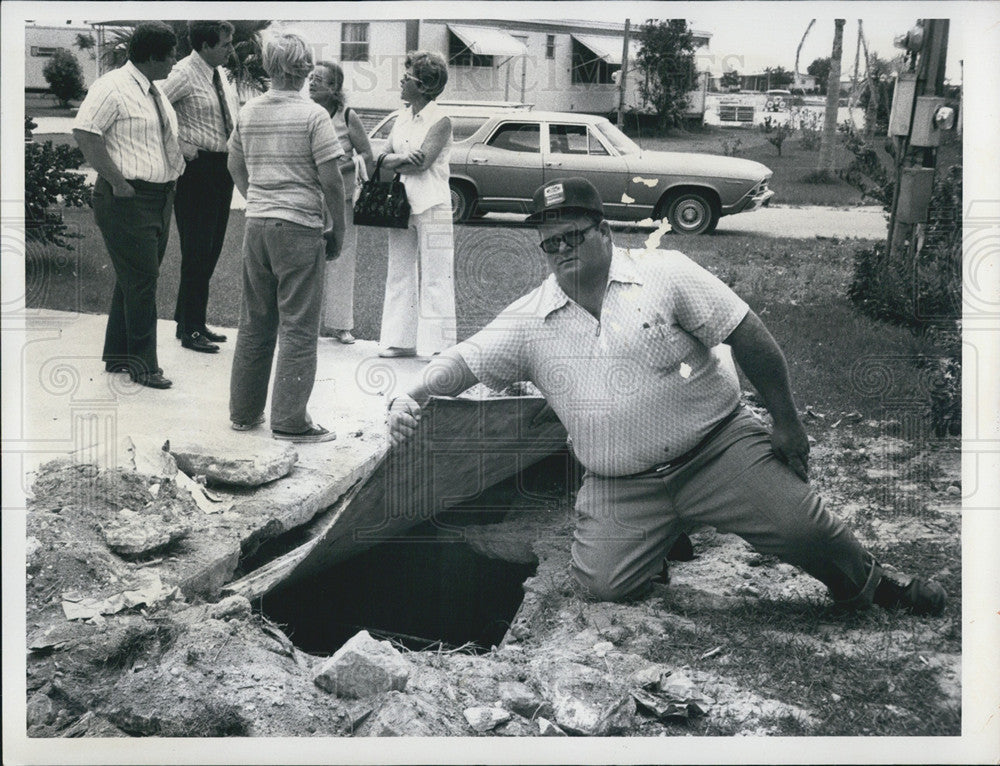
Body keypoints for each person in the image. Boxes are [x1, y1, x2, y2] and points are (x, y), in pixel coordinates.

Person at [387, 177, 947, 617]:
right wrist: (410, 395)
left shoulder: (666, 273)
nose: (561, 250)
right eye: (550, 242)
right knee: (602, 586)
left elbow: (747, 333)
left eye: (573, 235)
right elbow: (463, 361)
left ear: (604, 232)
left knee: (807, 530)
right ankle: (664, 537)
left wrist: (786, 422)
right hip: (622, 483)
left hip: (717, 451)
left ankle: (877, 587)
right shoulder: (531, 319)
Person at [226, 31, 346, 443]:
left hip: (256, 225)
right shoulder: (314, 116)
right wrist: (338, 228)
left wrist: (256, 198)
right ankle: (290, 421)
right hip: (298, 228)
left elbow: (234, 164)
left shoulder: (250, 110)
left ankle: (243, 412)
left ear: (268, 66)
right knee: (298, 326)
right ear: (305, 68)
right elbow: (332, 182)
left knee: (255, 322)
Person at [72, 21, 184, 390]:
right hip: (128, 199)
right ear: (152, 56)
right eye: (170, 54)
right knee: (142, 281)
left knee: (134, 278)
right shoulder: (112, 87)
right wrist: (118, 182)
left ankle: (119, 354)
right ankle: (143, 364)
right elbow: (86, 132)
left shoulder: (154, 90)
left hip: (158, 197)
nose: (174, 61)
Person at [160, 20, 239, 354]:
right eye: (224, 44)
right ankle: (190, 329)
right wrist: (179, 144)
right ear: (205, 45)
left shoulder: (216, 73)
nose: (230, 50)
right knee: (197, 251)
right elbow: (153, 110)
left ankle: (192, 320)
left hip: (222, 169)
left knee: (212, 249)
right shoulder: (183, 73)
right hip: (198, 171)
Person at [377, 50, 457, 359]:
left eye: (406, 77)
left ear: (424, 85)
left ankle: (439, 346)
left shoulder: (441, 120)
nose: (400, 80)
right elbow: (380, 157)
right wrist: (399, 160)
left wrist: (394, 161)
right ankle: (399, 340)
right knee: (399, 271)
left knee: (436, 275)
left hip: (433, 205)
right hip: (401, 203)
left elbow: (422, 163)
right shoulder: (400, 117)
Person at [308, 60, 374, 346]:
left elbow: (367, 154)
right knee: (307, 260)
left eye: (318, 79)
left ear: (333, 88)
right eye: (310, 77)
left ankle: (340, 325)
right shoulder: (306, 113)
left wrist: (342, 167)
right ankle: (304, 324)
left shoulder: (348, 116)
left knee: (342, 260)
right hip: (309, 199)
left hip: (342, 199)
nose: (311, 82)